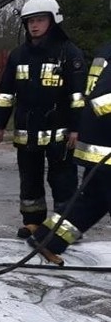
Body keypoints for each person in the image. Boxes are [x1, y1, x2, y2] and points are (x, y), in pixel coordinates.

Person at [0, 0, 86, 239]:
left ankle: (64, 227)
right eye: (30, 21)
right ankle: (33, 222)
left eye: (40, 20)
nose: (34, 25)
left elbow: (78, 96)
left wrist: (77, 129)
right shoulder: (18, 55)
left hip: (60, 131)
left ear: (53, 21)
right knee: (30, 179)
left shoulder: (69, 54)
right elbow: (5, 93)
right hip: (27, 129)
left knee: (63, 180)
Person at [28, 42, 111, 263]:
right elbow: (103, 100)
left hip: (98, 141)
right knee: (96, 198)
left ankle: (48, 240)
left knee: (92, 201)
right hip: (106, 143)